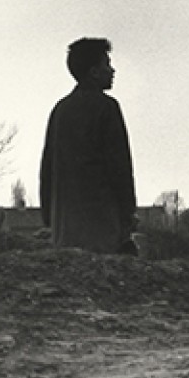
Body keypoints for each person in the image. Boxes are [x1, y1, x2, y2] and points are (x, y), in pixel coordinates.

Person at [40, 37, 138, 255]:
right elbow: (119, 167)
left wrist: (50, 219)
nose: (112, 70)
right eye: (107, 64)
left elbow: (47, 171)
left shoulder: (60, 111)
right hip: (102, 230)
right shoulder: (107, 107)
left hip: (65, 232)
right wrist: (128, 215)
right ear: (94, 72)